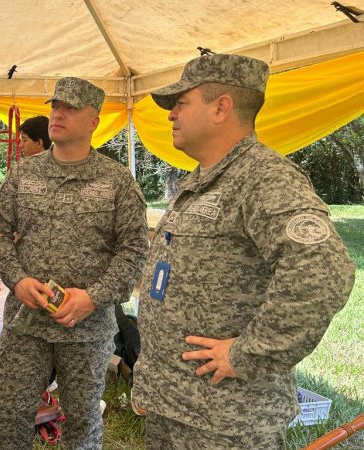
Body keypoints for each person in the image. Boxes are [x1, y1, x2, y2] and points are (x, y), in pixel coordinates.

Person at [132, 53, 357, 450]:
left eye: (181, 103)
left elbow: (324, 272)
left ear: (221, 107)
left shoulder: (264, 178)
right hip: (176, 405)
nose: (171, 115)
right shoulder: (201, 180)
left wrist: (248, 353)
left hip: (227, 419)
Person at [0, 77, 149, 449]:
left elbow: (134, 251)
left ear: (93, 121)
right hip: (25, 323)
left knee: (82, 420)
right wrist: (17, 280)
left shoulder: (116, 181)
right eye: (54, 106)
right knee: (10, 417)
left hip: (87, 330)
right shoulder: (23, 174)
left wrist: (93, 297)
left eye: (70, 108)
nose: (58, 113)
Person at [0, 115, 52, 203]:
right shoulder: (20, 169)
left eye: (24, 140)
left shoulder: (22, 168)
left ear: (39, 143)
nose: (20, 145)